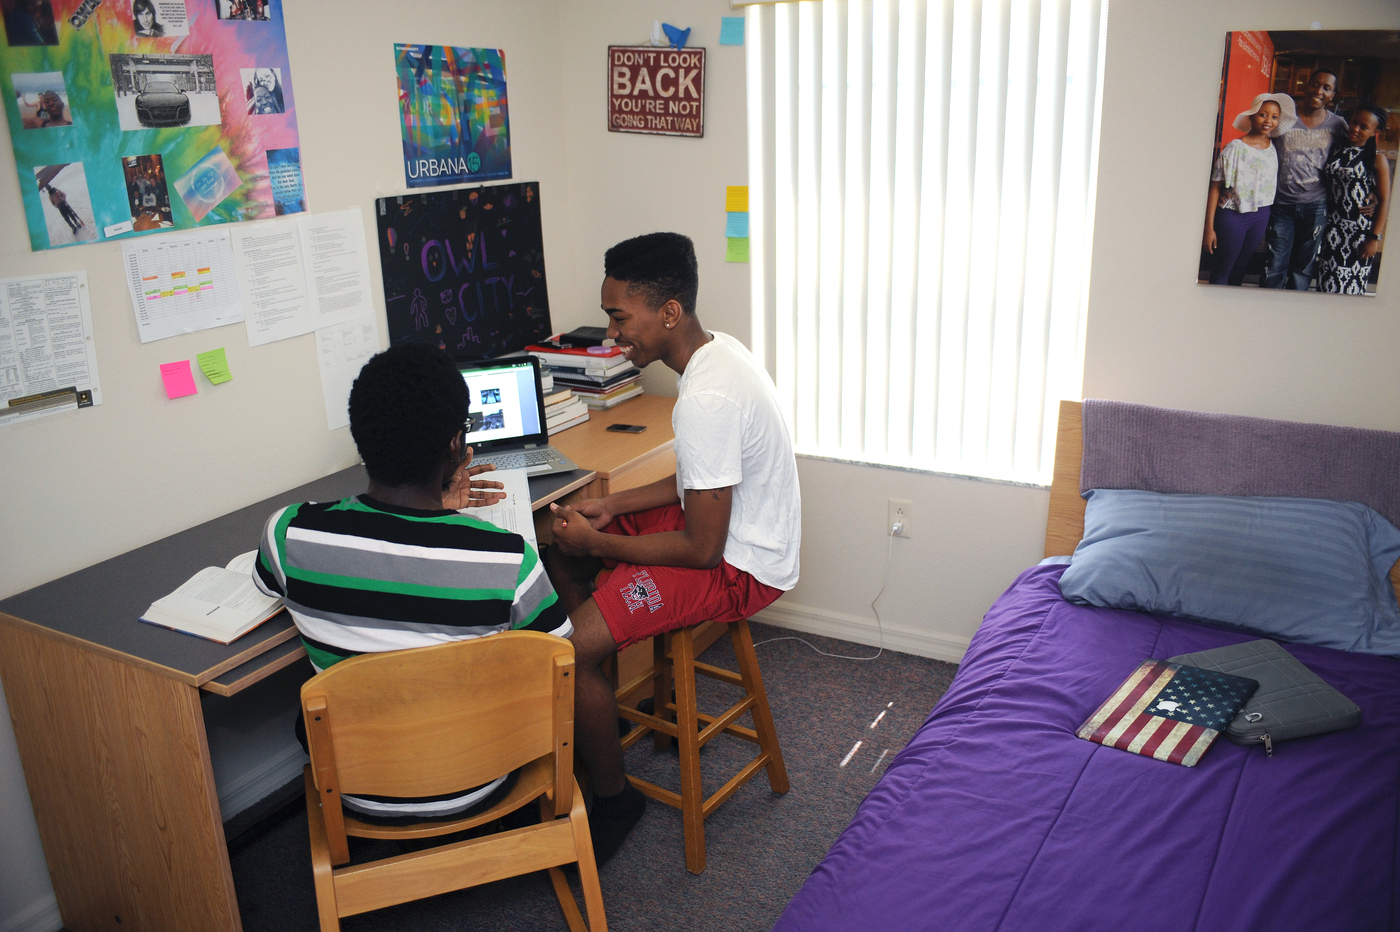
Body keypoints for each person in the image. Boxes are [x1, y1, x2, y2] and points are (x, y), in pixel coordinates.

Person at [544, 232, 802, 865]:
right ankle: (602, 710)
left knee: (568, 650)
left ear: (668, 312)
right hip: (723, 530)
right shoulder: (719, 353)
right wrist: (612, 507)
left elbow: (702, 549)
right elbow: (699, 476)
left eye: (618, 317)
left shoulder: (706, 398)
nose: (612, 336)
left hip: (740, 566)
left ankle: (614, 795)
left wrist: (601, 540)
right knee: (561, 547)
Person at [251, 343, 575, 823]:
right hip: (481, 779)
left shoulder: (286, 534)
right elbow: (558, 662)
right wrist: (444, 521)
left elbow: (268, 584)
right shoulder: (507, 559)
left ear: (361, 438)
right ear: (454, 446)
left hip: (358, 792)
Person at [1261, 69, 1350, 290]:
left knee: (1304, 266)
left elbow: (1356, 159)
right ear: (1305, 86)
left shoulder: (1338, 125)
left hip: (1316, 205)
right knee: (1274, 265)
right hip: (1282, 205)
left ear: (1332, 95)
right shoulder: (1284, 119)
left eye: (1326, 88)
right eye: (1315, 84)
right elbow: (1257, 148)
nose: (1319, 91)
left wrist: (1372, 194)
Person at [1203, 93, 1296, 286]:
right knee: (1223, 269)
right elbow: (1214, 188)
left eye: (1274, 116)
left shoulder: (1275, 147)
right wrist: (1209, 228)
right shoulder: (1234, 148)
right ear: (1252, 116)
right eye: (1263, 114)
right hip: (1233, 215)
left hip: (1261, 216)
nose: (1268, 120)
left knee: (1240, 270)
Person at [1318, 105, 1391, 295]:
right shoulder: (1336, 149)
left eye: (1363, 126)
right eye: (1354, 122)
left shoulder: (1377, 159)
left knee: (1350, 289)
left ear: (1375, 132)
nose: (1355, 128)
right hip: (1332, 230)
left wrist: (1374, 238)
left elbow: (1384, 201)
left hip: (1358, 235)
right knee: (1325, 285)